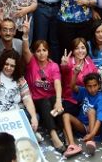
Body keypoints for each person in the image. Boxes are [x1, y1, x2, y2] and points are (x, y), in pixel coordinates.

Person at [19, 17, 65, 152]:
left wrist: (58, 101)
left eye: (44, 50)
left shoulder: (53, 65)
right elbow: (25, 50)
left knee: (56, 101)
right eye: (38, 50)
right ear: (35, 53)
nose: (41, 53)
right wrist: (25, 35)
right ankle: (54, 136)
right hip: (36, 101)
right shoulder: (32, 62)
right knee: (45, 102)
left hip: (50, 100)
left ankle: (66, 134)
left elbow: (57, 83)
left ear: (48, 51)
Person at [61, 71, 102, 157]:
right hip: (83, 126)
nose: (92, 89)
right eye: (89, 86)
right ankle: (72, 145)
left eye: (95, 85)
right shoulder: (84, 91)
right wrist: (75, 74)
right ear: (85, 86)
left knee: (91, 111)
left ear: (99, 85)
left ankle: (91, 141)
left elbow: (100, 119)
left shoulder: (101, 99)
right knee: (65, 115)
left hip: (95, 129)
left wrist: (92, 134)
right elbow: (72, 87)